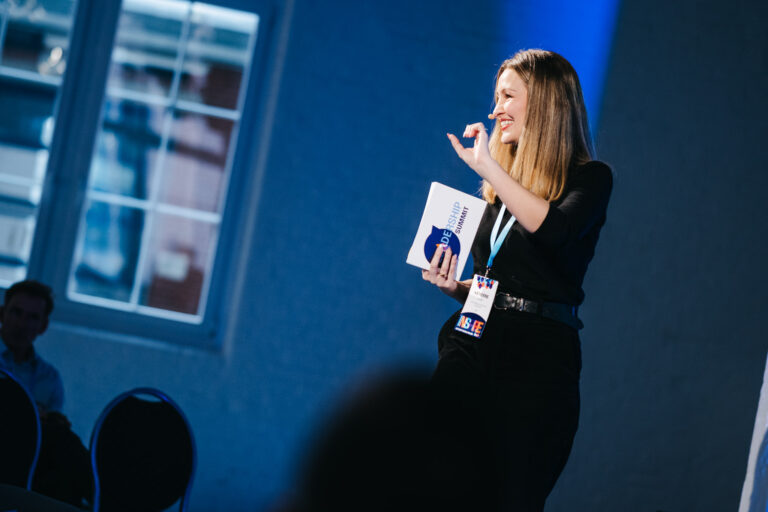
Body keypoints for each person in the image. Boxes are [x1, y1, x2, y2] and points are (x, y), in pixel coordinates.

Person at [423, 49, 613, 511]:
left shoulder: (590, 179)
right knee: (431, 480)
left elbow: (552, 231)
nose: (495, 109)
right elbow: (499, 283)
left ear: (545, 103)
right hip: (473, 341)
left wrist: (489, 166)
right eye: (495, 96)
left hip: (538, 361)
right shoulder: (500, 186)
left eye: (507, 95)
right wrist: (456, 288)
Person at [0, 279, 92, 506]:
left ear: (43, 326)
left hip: (32, 459)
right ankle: (101, 498)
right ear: (2, 314)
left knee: (59, 471)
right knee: (62, 442)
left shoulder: (49, 378)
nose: (22, 323)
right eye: (16, 312)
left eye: (32, 317)